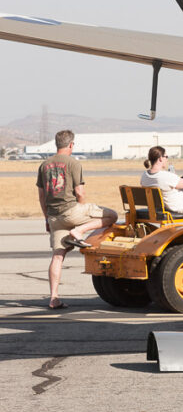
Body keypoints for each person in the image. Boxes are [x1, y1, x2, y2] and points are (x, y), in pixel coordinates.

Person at [36, 129, 117, 309]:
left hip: (54, 216)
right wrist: (80, 214)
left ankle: (54, 298)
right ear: (71, 144)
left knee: (57, 257)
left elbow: (41, 196)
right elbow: (80, 192)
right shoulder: (73, 163)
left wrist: (47, 219)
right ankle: (79, 231)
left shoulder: (44, 165)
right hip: (72, 210)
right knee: (112, 215)